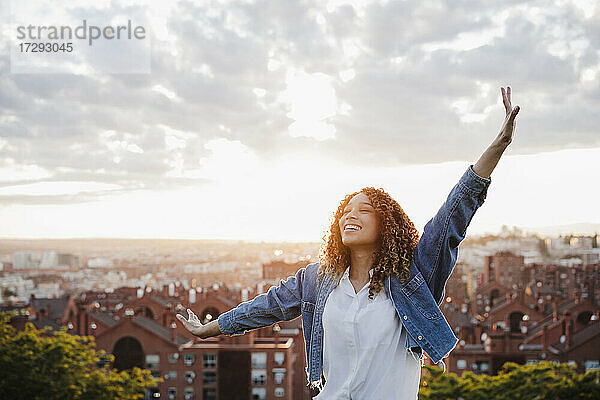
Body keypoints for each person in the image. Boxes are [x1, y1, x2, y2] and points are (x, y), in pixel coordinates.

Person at [177, 87, 521, 399]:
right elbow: (266, 307)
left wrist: (497, 147)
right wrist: (209, 329)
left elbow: (453, 215)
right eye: (345, 210)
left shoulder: (413, 276)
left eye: (364, 210)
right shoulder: (317, 281)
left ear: (385, 224)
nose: (349, 215)